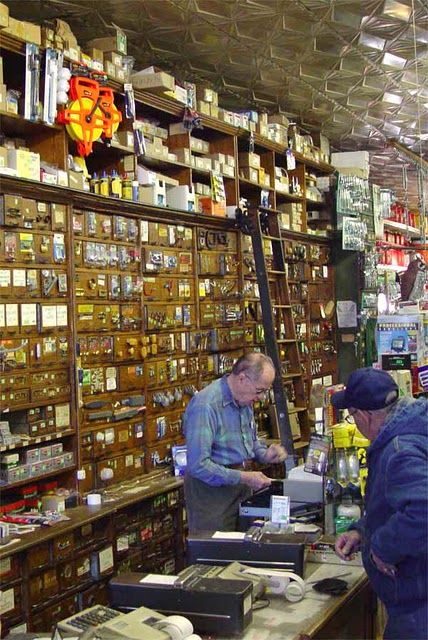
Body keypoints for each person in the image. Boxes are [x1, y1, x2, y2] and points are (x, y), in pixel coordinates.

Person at [331, 367, 427, 640]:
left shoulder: (400, 450)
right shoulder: (412, 430)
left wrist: (382, 547)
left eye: (351, 415)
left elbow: (423, 510)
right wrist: (363, 530)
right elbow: (396, 503)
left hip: (418, 604)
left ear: (364, 415)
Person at [183, 352, 287, 532]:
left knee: (242, 551)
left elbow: (249, 441)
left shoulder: (244, 401)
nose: (261, 397)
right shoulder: (205, 406)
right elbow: (198, 465)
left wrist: (264, 454)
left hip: (241, 489)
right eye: (259, 390)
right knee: (217, 555)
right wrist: (244, 477)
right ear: (242, 379)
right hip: (212, 496)